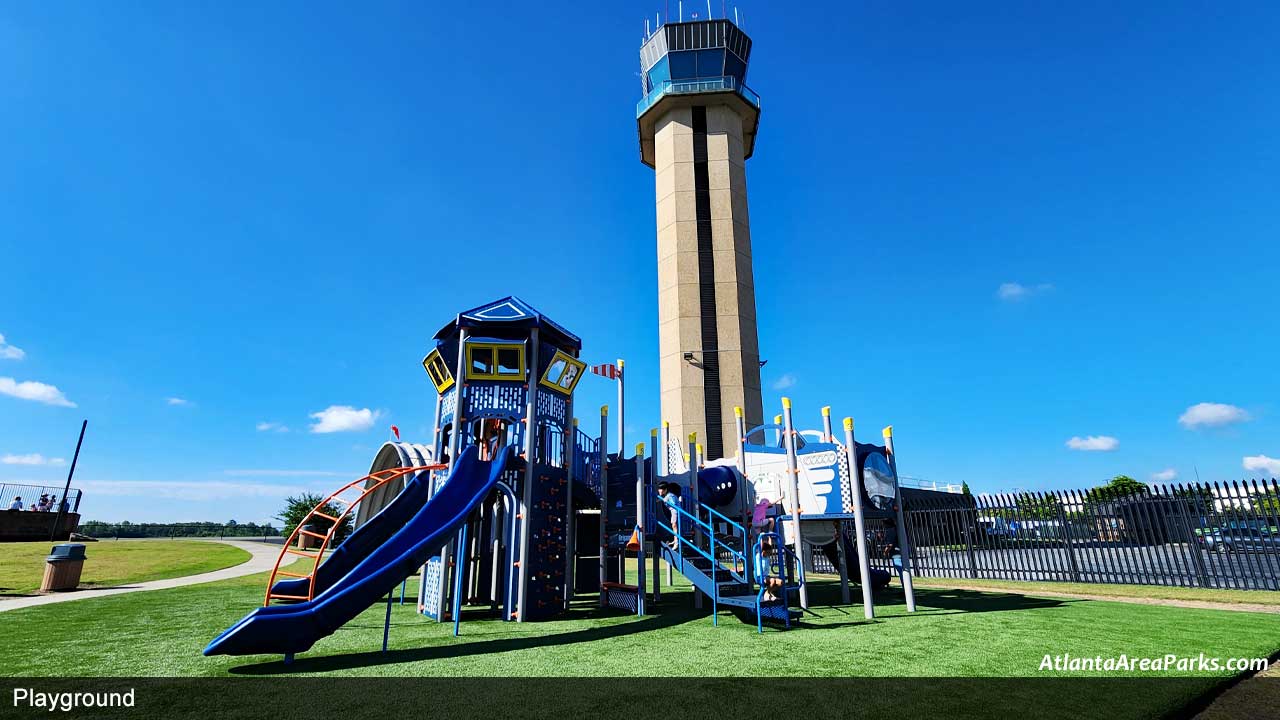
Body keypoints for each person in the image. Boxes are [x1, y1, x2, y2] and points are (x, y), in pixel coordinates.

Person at [657, 482, 683, 549]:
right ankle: (675, 540)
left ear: (665, 490)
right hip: (673, 512)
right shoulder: (667, 496)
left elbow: (673, 504)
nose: (659, 490)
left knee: (674, 526)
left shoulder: (670, 495)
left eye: (661, 489)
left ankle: (676, 542)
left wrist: (664, 500)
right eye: (659, 489)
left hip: (675, 512)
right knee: (674, 526)